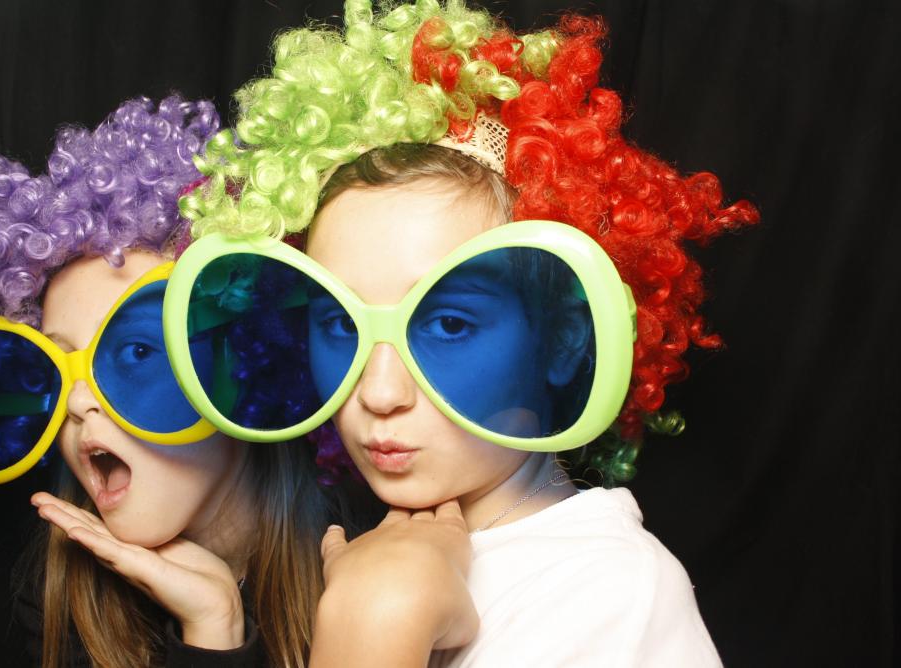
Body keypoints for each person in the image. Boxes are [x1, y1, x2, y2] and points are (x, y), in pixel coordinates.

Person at [173, 1, 759, 666]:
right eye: (340, 321)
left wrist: (373, 620)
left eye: (449, 323)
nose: (379, 392)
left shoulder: (611, 597)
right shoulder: (353, 547)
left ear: (563, 339)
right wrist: (214, 635)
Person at [0, 96, 334, 667]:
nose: (77, 401)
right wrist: (212, 629)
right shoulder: (61, 602)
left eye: (137, 350)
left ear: (245, 363)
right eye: (57, 366)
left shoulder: (359, 566)